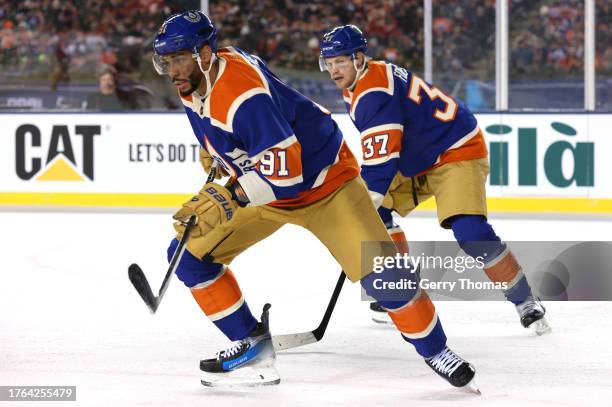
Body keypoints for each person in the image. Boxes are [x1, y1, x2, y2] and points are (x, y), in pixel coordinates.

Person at [152, 11, 478, 390]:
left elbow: (286, 176)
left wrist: (230, 195)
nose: (173, 68)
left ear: (205, 54)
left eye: (179, 58)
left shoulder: (243, 97)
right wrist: (218, 151)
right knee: (189, 258)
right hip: (270, 185)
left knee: (388, 279)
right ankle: (253, 348)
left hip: (326, 184)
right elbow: (229, 127)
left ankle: (437, 351)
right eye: (167, 59)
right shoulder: (201, 75)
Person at [319, 25, 551, 334]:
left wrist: (365, 203)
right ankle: (402, 289)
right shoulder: (365, 79)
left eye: (341, 62)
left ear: (359, 59)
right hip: (416, 156)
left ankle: (524, 300)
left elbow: (381, 164)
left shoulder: (373, 91)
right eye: (329, 63)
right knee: (379, 215)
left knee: (470, 231)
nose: (334, 70)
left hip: (455, 149)